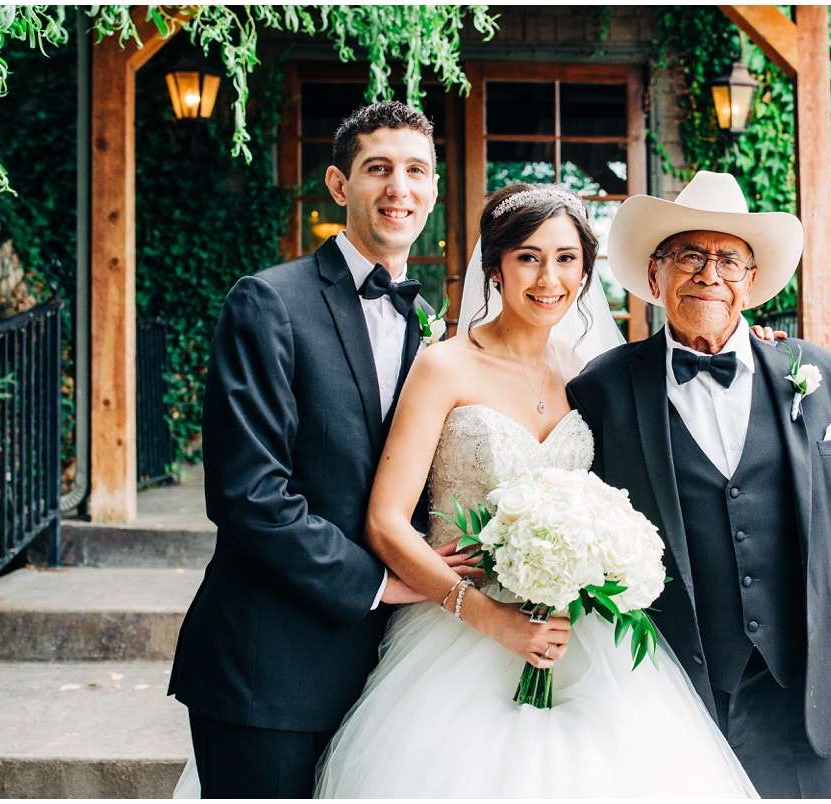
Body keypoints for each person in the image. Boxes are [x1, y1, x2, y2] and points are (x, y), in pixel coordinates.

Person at [310, 183, 760, 798]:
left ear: (584, 270)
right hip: (458, 632)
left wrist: (756, 347)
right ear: (494, 266)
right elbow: (386, 522)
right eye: (528, 256)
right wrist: (492, 619)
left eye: (566, 258)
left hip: (576, 632)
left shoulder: (592, 374)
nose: (549, 277)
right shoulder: (444, 366)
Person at [167, 101, 476, 798]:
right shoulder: (268, 302)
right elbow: (250, 495)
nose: (400, 189)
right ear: (339, 186)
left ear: (434, 188)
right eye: (378, 170)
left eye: (416, 171)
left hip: (390, 679)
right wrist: (385, 582)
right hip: (270, 667)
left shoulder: (433, 328)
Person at [567, 171, 831, 799]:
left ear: (751, 282)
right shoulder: (602, 388)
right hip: (669, 682)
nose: (708, 275)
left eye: (728, 261)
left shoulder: (817, 375)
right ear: (656, 275)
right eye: (689, 256)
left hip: (798, 685)